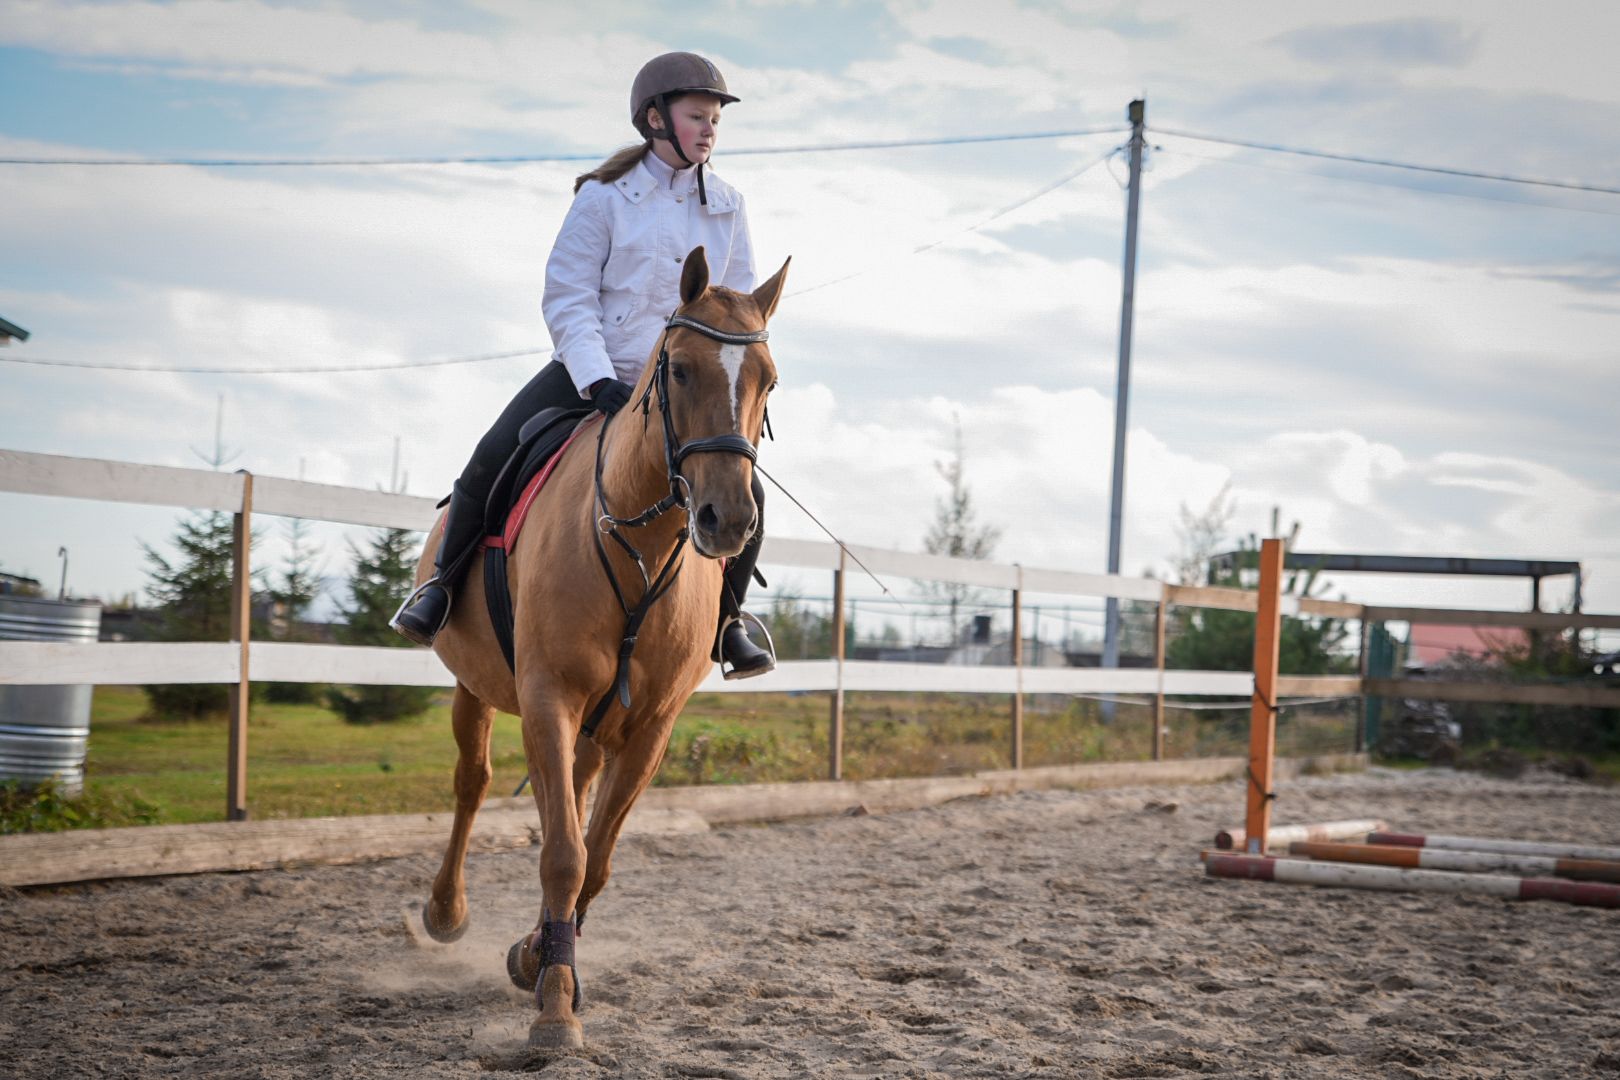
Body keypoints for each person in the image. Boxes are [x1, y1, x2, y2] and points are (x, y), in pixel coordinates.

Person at [391, 51, 775, 680]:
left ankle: (729, 622)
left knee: (747, 490)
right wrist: (597, 378)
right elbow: (568, 296)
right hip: (594, 371)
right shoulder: (603, 199)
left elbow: (737, 302)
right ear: (655, 119)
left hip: (684, 387)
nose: (709, 129)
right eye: (697, 116)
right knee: (490, 456)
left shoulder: (728, 204)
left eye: (715, 120)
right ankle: (437, 589)